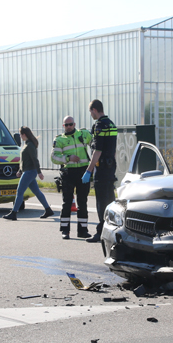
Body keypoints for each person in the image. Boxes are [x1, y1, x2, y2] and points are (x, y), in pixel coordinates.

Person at [51, 115, 92, 239]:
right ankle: (65, 230)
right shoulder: (59, 139)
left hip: (83, 171)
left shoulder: (84, 134)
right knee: (67, 202)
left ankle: (83, 231)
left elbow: (96, 146)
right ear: (63, 126)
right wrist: (68, 158)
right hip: (68, 172)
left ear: (74, 124)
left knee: (82, 202)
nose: (68, 127)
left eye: (71, 124)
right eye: (66, 125)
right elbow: (54, 157)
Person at [82, 99, 117, 243]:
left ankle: (101, 232)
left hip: (101, 168)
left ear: (95, 110)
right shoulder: (111, 124)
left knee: (101, 202)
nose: (91, 114)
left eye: (91, 111)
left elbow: (98, 150)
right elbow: (113, 149)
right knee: (110, 200)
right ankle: (113, 230)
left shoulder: (99, 125)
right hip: (110, 167)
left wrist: (89, 171)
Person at [3, 126, 54, 221]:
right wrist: (20, 171)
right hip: (28, 171)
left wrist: (39, 172)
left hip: (30, 172)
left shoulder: (30, 145)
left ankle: (13, 213)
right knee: (37, 192)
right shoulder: (27, 144)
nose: (21, 137)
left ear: (24, 134)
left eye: (21, 135)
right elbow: (24, 160)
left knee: (19, 192)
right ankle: (48, 209)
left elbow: (34, 159)